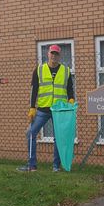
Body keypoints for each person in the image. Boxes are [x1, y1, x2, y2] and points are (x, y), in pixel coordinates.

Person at [17, 44, 75, 172]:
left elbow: (70, 88)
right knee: (31, 133)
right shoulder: (39, 69)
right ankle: (32, 165)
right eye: (52, 53)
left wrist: (71, 99)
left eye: (56, 54)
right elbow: (34, 90)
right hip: (43, 109)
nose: (54, 56)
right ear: (47, 54)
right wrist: (32, 107)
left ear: (60, 56)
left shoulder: (66, 70)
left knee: (58, 138)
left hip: (59, 110)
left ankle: (56, 166)